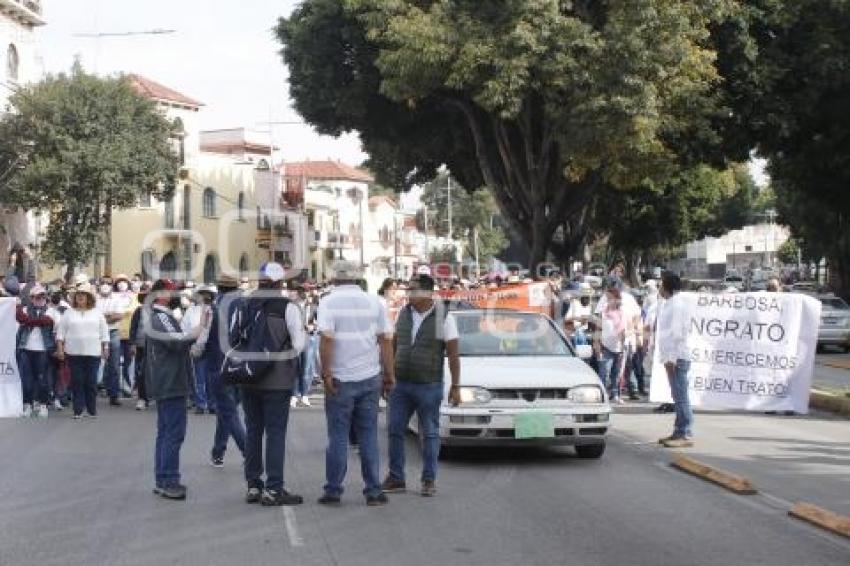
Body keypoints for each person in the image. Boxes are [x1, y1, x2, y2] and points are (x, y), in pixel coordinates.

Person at [317, 261, 395, 507]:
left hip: (340, 379)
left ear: (335, 278)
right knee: (368, 435)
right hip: (370, 377)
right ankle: (373, 491)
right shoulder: (376, 302)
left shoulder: (328, 302)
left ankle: (333, 491)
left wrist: (326, 374)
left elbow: (326, 340)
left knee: (338, 436)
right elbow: (385, 340)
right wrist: (389, 374)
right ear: (358, 278)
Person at [382, 274, 461, 497]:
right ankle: (396, 478)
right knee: (395, 430)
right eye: (408, 289)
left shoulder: (443, 317)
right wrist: (387, 375)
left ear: (428, 292)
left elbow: (453, 354)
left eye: (413, 289)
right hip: (401, 384)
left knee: (430, 433)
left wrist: (456, 386)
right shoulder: (404, 313)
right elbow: (394, 344)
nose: (409, 293)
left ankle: (428, 480)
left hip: (429, 385)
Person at [240, 263, 306, 506]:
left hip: (248, 377)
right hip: (277, 380)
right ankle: (274, 488)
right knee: (275, 433)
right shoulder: (288, 307)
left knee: (253, 431)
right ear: (280, 283)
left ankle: (253, 485)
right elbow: (298, 345)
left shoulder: (246, 304)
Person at [145, 279, 206, 500]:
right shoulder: (161, 317)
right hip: (170, 381)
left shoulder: (160, 316)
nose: (177, 296)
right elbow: (177, 341)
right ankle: (169, 480)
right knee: (173, 433)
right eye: (173, 292)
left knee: (165, 433)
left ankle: (163, 479)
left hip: (167, 379)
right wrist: (199, 328)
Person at [207, 274, 246, 468]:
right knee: (227, 411)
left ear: (219, 288)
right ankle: (218, 451)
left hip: (218, 363)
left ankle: (248, 452)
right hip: (242, 364)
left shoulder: (213, 307)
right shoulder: (245, 306)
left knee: (228, 412)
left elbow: (203, 337)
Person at [55, 283, 110, 419]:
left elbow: (104, 332)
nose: (80, 297)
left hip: (93, 353)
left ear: (88, 297)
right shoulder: (68, 313)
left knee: (91, 382)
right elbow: (60, 333)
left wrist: (106, 348)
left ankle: (91, 410)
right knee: (77, 381)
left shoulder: (97, 313)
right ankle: (78, 410)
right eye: (78, 295)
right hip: (73, 353)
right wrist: (60, 349)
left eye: (83, 295)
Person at [656, 273, 693, 448]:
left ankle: (685, 433)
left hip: (677, 357)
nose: (659, 288)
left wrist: (671, 359)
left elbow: (677, 334)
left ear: (667, 286)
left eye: (661, 285)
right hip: (671, 357)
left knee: (681, 396)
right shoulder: (670, 303)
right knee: (677, 396)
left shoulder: (677, 305)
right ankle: (678, 431)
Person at [16, 285, 58, 418]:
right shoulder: (25, 309)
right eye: (37, 297)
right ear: (31, 298)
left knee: (42, 379)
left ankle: (43, 404)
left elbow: (46, 321)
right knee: (27, 379)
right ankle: (28, 405)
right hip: (26, 349)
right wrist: (26, 317)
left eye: (42, 296)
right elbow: (20, 318)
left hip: (43, 350)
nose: (40, 299)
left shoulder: (51, 311)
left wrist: (29, 321)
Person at [593, 279, 627, 404]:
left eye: (610, 298)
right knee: (604, 372)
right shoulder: (603, 314)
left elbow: (623, 331)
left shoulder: (621, 313)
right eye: (607, 299)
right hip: (605, 347)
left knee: (616, 374)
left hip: (618, 348)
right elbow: (598, 329)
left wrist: (623, 348)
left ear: (617, 299)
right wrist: (597, 345)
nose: (608, 301)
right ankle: (602, 395)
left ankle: (615, 394)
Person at [183, 286, 215, 414]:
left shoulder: (215, 309)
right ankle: (200, 403)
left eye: (207, 294)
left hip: (211, 345)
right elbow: (184, 327)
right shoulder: (191, 310)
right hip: (196, 344)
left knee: (210, 377)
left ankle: (212, 404)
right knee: (198, 376)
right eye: (202, 294)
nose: (205, 296)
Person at [96, 278, 127, 406]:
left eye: (108, 283)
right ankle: (92, 393)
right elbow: (93, 316)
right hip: (96, 333)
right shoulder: (94, 299)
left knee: (114, 364)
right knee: (94, 363)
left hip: (113, 332)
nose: (105, 285)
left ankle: (114, 394)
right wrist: (109, 316)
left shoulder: (117, 299)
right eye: (103, 283)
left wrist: (103, 317)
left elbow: (119, 315)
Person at [113, 274, 137, 399]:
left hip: (129, 335)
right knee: (115, 363)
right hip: (115, 333)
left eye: (124, 281)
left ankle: (128, 386)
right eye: (119, 282)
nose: (121, 284)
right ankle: (116, 388)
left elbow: (136, 311)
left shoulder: (134, 297)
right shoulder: (112, 297)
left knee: (128, 363)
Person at [129, 285, 150, 410]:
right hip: (141, 345)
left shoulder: (158, 311)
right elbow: (133, 327)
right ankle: (142, 398)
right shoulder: (139, 311)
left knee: (154, 372)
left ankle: (152, 396)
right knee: (141, 372)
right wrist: (133, 344)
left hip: (155, 347)